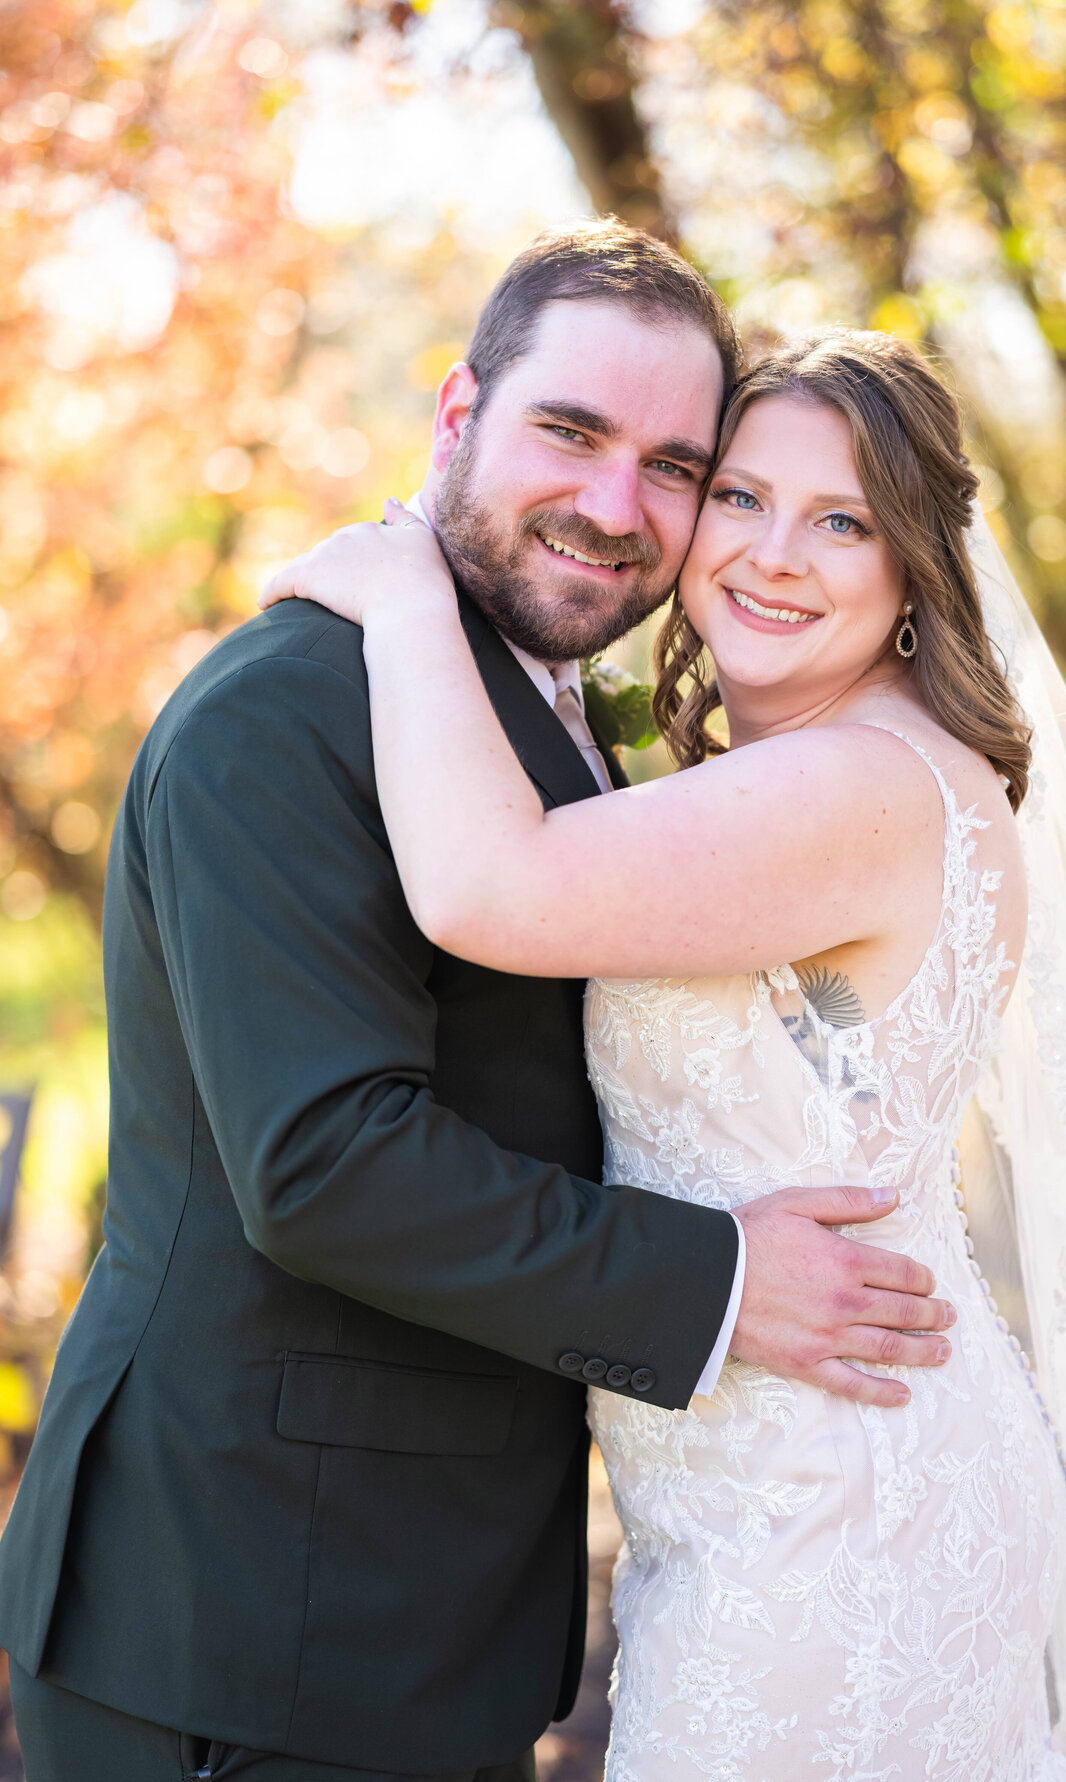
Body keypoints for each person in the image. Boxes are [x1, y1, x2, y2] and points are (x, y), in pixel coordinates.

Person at [0, 225, 957, 1782]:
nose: (612, 506)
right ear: (457, 416)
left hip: (411, 1614)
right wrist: (720, 1280)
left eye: (672, 465)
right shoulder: (287, 719)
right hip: (247, 1614)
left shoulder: (528, 708)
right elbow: (325, 1161)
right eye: (568, 433)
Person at [259, 325, 1066, 1779]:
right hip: (808, 1466)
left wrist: (404, 601)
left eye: (842, 521)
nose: (771, 554)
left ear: (912, 577)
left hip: (834, 1506)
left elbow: (482, 890)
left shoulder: (855, 785)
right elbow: (826, 1062)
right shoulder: (853, 779)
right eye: (743, 497)